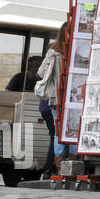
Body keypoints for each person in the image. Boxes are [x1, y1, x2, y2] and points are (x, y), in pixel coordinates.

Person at [34, 23, 68, 174]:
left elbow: (40, 74)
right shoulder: (81, 48)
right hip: (73, 98)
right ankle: (67, 164)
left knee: (58, 132)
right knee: (70, 130)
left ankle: (57, 166)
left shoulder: (54, 50)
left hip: (56, 98)